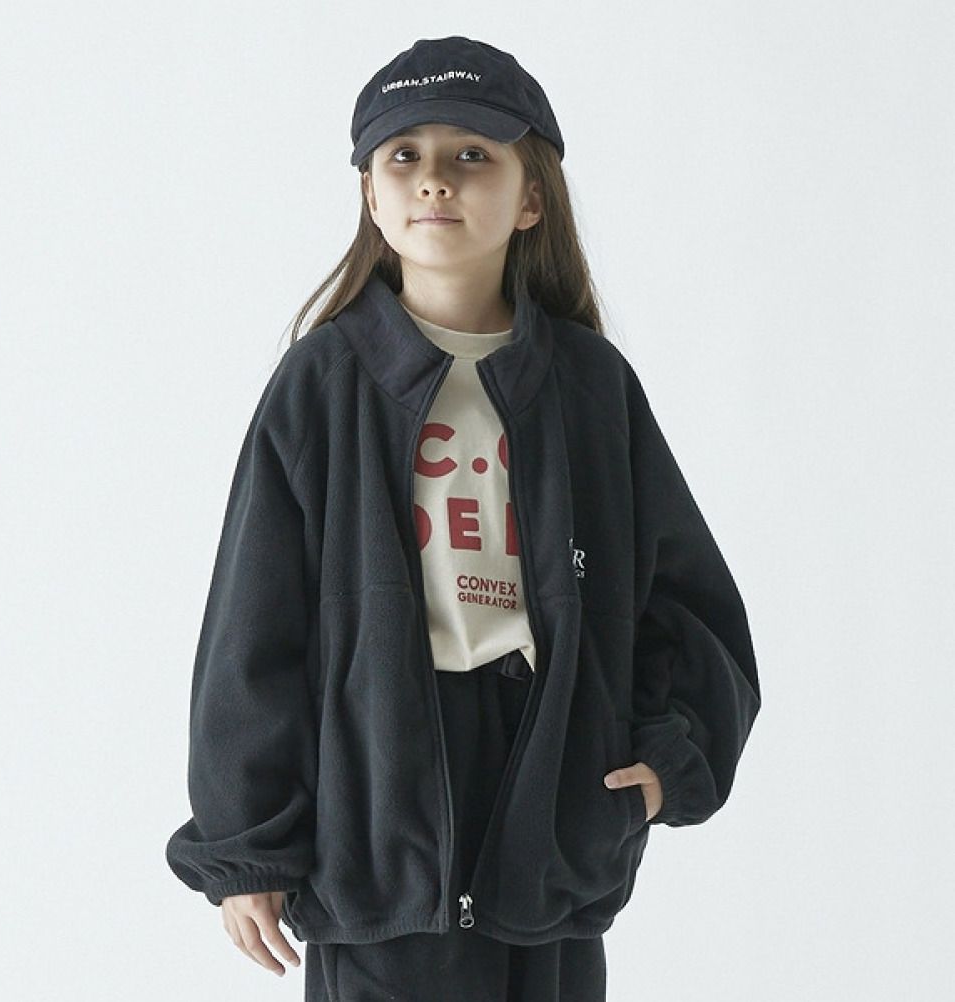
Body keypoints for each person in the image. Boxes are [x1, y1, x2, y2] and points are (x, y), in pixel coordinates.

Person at [165, 34, 761, 1002]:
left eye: (472, 154)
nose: (434, 179)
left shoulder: (591, 387)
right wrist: (246, 844)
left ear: (531, 198)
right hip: (378, 804)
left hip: (551, 804)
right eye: (404, 155)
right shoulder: (323, 384)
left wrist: (667, 759)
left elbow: (691, 603)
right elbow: (252, 627)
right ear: (370, 195)